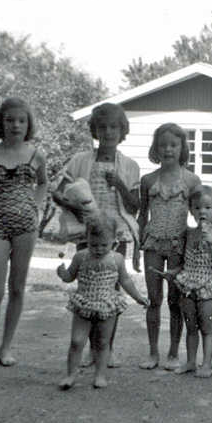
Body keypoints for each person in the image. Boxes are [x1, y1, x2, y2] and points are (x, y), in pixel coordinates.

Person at [53, 103, 140, 368]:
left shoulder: (129, 165)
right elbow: (58, 192)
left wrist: (121, 185)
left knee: (111, 292)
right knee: (88, 290)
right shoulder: (81, 160)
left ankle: (106, 348)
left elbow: (135, 205)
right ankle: (91, 348)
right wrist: (72, 206)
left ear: (121, 130)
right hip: (87, 234)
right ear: (95, 130)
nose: (108, 132)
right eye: (102, 127)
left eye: (114, 127)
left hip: (117, 235)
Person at [0, 97, 48, 366]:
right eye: (10, 119)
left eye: (22, 120)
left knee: (17, 287)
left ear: (29, 125)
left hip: (26, 227)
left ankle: (6, 348)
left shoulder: (36, 155)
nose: (16, 125)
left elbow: (43, 183)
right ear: (0, 123)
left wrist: (33, 206)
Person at [57, 214, 150, 390]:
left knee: (102, 342)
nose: (99, 249)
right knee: (77, 340)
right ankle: (70, 374)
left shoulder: (116, 259)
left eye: (104, 245)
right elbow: (70, 277)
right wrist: (63, 274)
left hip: (107, 304)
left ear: (114, 241)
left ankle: (99, 375)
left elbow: (126, 281)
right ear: (87, 239)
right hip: (84, 303)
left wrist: (137, 297)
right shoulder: (80, 257)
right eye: (94, 245)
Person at [137, 123, 201, 370]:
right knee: (154, 299)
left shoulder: (191, 180)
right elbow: (143, 216)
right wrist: (136, 248)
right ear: (156, 148)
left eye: (173, 145)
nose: (168, 149)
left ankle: (173, 353)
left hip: (178, 245)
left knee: (176, 300)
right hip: (152, 243)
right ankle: (153, 352)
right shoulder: (148, 180)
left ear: (182, 148)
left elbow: (200, 214)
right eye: (162, 145)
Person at [162, 186, 212, 378]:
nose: (202, 212)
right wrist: (173, 272)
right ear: (191, 210)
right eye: (198, 207)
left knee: (206, 327)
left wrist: (211, 245)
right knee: (191, 327)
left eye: (208, 207)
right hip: (188, 283)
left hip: (208, 285)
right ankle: (191, 362)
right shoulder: (189, 234)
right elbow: (184, 262)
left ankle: (206, 364)